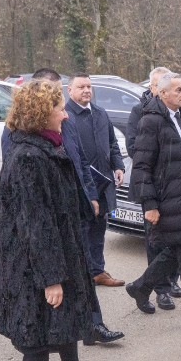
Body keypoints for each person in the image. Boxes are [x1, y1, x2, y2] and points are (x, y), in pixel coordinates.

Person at [0, 80, 112, 361]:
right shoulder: (29, 157)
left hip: (56, 252)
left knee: (65, 322)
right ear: (43, 114)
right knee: (38, 339)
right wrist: (51, 279)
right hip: (34, 263)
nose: (66, 114)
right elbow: (35, 223)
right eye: (60, 108)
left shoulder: (44, 146)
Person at [2, 68, 124, 346]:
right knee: (56, 278)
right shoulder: (16, 135)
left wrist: (90, 195)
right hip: (47, 219)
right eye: (54, 95)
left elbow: (78, 160)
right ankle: (55, 334)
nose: (63, 108)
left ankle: (93, 325)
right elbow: (18, 186)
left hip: (73, 206)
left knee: (81, 270)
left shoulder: (65, 123)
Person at [125, 73, 181, 325]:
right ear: (162, 94)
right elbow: (141, 166)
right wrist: (149, 203)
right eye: (179, 90)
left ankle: (141, 286)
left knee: (175, 249)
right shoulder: (151, 121)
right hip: (169, 197)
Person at [126, 66, 181, 311]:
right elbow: (135, 149)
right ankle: (159, 289)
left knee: (179, 241)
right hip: (154, 188)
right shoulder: (140, 112)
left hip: (177, 189)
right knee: (156, 242)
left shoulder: (179, 112)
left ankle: (170, 281)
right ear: (153, 88)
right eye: (157, 85)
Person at [65, 73, 125, 287]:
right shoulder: (65, 117)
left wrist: (118, 165)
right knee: (82, 232)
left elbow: (112, 143)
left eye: (89, 86)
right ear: (70, 90)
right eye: (81, 87)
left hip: (103, 183)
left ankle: (97, 271)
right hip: (80, 186)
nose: (87, 90)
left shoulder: (100, 113)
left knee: (99, 229)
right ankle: (82, 276)